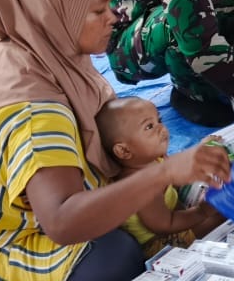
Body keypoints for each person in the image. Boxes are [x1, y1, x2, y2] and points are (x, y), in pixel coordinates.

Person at [0, 0, 232, 281]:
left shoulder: (34, 49)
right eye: (98, 10)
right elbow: (62, 222)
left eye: (109, 5)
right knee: (114, 255)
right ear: (53, 12)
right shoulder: (33, 107)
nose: (113, 17)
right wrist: (163, 173)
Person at [95, 97, 224, 258]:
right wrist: (202, 212)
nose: (162, 128)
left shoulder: (152, 158)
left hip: (174, 213)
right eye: (149, 126)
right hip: (160, 241)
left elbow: (177, 170)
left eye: (159, 120)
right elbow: (165, 224)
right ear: (124, 151)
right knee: (223, 213)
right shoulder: (141, 185)